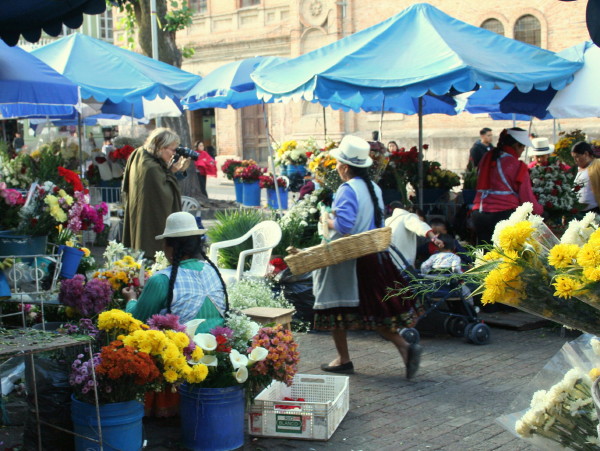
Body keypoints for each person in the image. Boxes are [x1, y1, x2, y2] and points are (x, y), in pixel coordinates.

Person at [313, 135, 423, 379]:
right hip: (373, 256)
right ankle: (403, 348)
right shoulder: (373, 187)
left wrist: (326, 218)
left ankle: (345, 358)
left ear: (344, 167)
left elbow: (344, 226)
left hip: (349, 261)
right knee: (377, 311)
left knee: (335, 308)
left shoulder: (346, 189)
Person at [123, 211, 227, 330]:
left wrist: (131, 299)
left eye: (164, 242)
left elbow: (136, 320)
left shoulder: (161, 280)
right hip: (218, 343)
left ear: (170, 247)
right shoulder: (212, 271)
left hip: (182, 346)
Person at [122, 128, 191, 260]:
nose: (174, 155)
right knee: (152, 252)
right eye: (173, 150)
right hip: (152, 223)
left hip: (140, 214)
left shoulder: (139, 153)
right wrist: (173, 171)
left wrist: (171, 170)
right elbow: (166, 194)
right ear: (160, 147)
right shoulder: (151, 167)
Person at [471, 128, 543, 244]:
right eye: (522, 147)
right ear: (516, 145)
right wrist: (540, 211)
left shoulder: (487, 157)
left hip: (479, 215)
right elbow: (527, 199)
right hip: (503, 215)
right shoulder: (517, 165)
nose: (523, 151)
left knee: (484, 257)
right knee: (504, 258)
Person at [385, 202, 444, 269]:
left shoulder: (387, 222)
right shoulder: (407, 217)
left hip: (389, 265)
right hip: (403, 265)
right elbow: (419, 226)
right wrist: (434, 237)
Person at [420, 233, 473, 303]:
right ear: (454, 247)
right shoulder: (455, 257)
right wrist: (461, 276)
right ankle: (472, 308)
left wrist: (428, 275)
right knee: (467, 292)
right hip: (452, 288)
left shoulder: (433, 257)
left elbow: (424, 266)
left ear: (437, 247)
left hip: (436, 288)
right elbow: (456, 269)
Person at [571, 141, 600, 214]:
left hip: (595, 211)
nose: (575, 160)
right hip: (578, 213)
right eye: (573, 157)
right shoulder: (575, 170)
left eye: (577, 156)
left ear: (586, 154)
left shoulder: (597, 164)